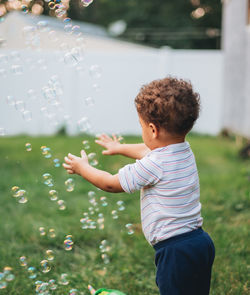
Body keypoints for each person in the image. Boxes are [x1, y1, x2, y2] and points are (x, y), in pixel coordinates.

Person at [63, 77, 215, 295]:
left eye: (141, 126)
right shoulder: (183, 149)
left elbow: (110, 184)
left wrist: (82, 167)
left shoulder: (154, 165)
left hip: (174, 250)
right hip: (200, 243)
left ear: (152, 129)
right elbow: (146, 150)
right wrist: (118, 147)